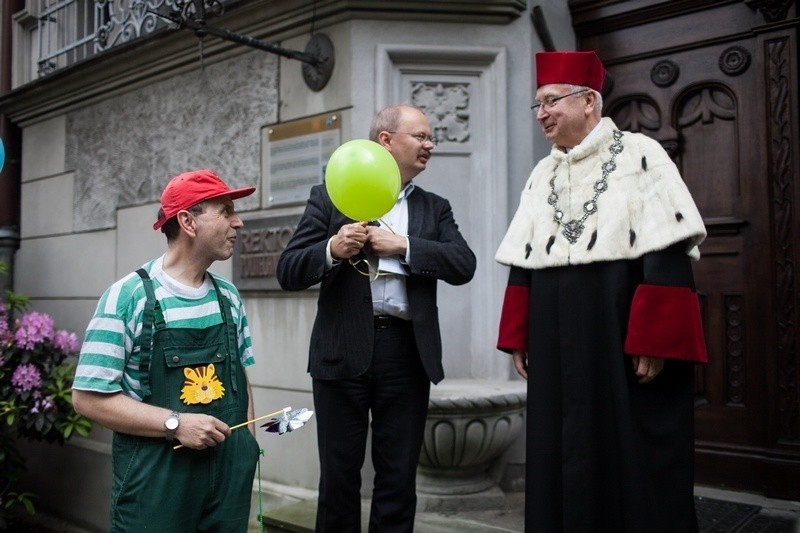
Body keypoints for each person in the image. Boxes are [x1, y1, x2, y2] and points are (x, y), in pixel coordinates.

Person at [495, 51, 708, 532]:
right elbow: (524, 258)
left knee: (631, 441)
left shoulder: (642, 154)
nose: (542, 114)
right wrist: (519, 332)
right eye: (537, 105)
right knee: (560, 443)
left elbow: (668, 246)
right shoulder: (540, 174)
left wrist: (655, 339)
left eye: (551, 101)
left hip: (619, 327)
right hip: (554, 332)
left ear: (589, 101)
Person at [277, 104, 476, 532]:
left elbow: (464, 264)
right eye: (420, 137)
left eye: (430, 138)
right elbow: (288, 269)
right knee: (339, 477)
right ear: (386, 141)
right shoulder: (329, 196)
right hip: (340, 352)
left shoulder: (434, 208)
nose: (430, 145)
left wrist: (404, 245)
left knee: (398, 478)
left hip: (406, 353)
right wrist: (331, 248)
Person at [72, 169, 261, 532]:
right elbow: (87, 399)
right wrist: (174, 424)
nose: (238, 222)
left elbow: (240, 377)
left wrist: (246, 450)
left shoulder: (229, 297)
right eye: (225, 211)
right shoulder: (129, 297)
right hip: (156, 484)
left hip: (227, 483)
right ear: (188, 221)